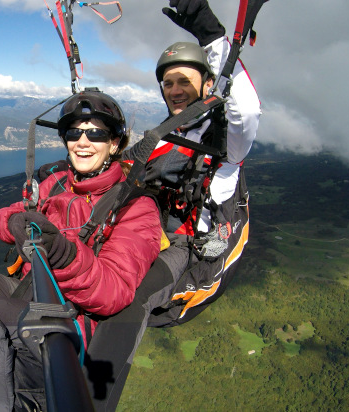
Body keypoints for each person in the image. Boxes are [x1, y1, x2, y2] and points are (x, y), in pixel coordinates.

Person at [0, 89, 163, 412]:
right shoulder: (58, 182)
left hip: (69, 312)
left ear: (114, 143)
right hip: (31, 286)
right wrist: (14, 223)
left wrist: (66, 254)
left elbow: (114, 290)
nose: (82, 142)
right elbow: (8, 214)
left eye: (95, 133)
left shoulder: (136, 207)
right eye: (74, 133)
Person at [82, 0, 261, 410]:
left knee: (130, 299)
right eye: (167, 83)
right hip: (148, 231)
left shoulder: (224, 140)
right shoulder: (163, 136)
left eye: (184, 80)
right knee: (79, 272)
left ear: (208, 84)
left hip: (186, 248)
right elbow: (124, 171)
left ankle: (89, 402)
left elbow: (247, 110)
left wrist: (210, 34)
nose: (175, 90)